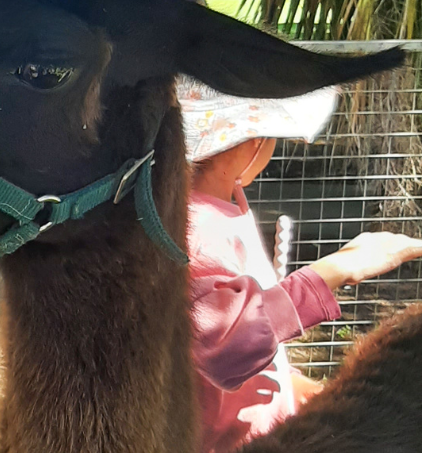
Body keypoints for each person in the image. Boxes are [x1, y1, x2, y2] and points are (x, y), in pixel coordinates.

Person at [179, 80, 422, 453]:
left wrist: (296, 389)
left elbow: (254, 337)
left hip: (260, 427)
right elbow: (226, 348)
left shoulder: (227, 206)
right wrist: (339, 268)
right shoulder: (193, 227)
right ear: (248, 144)